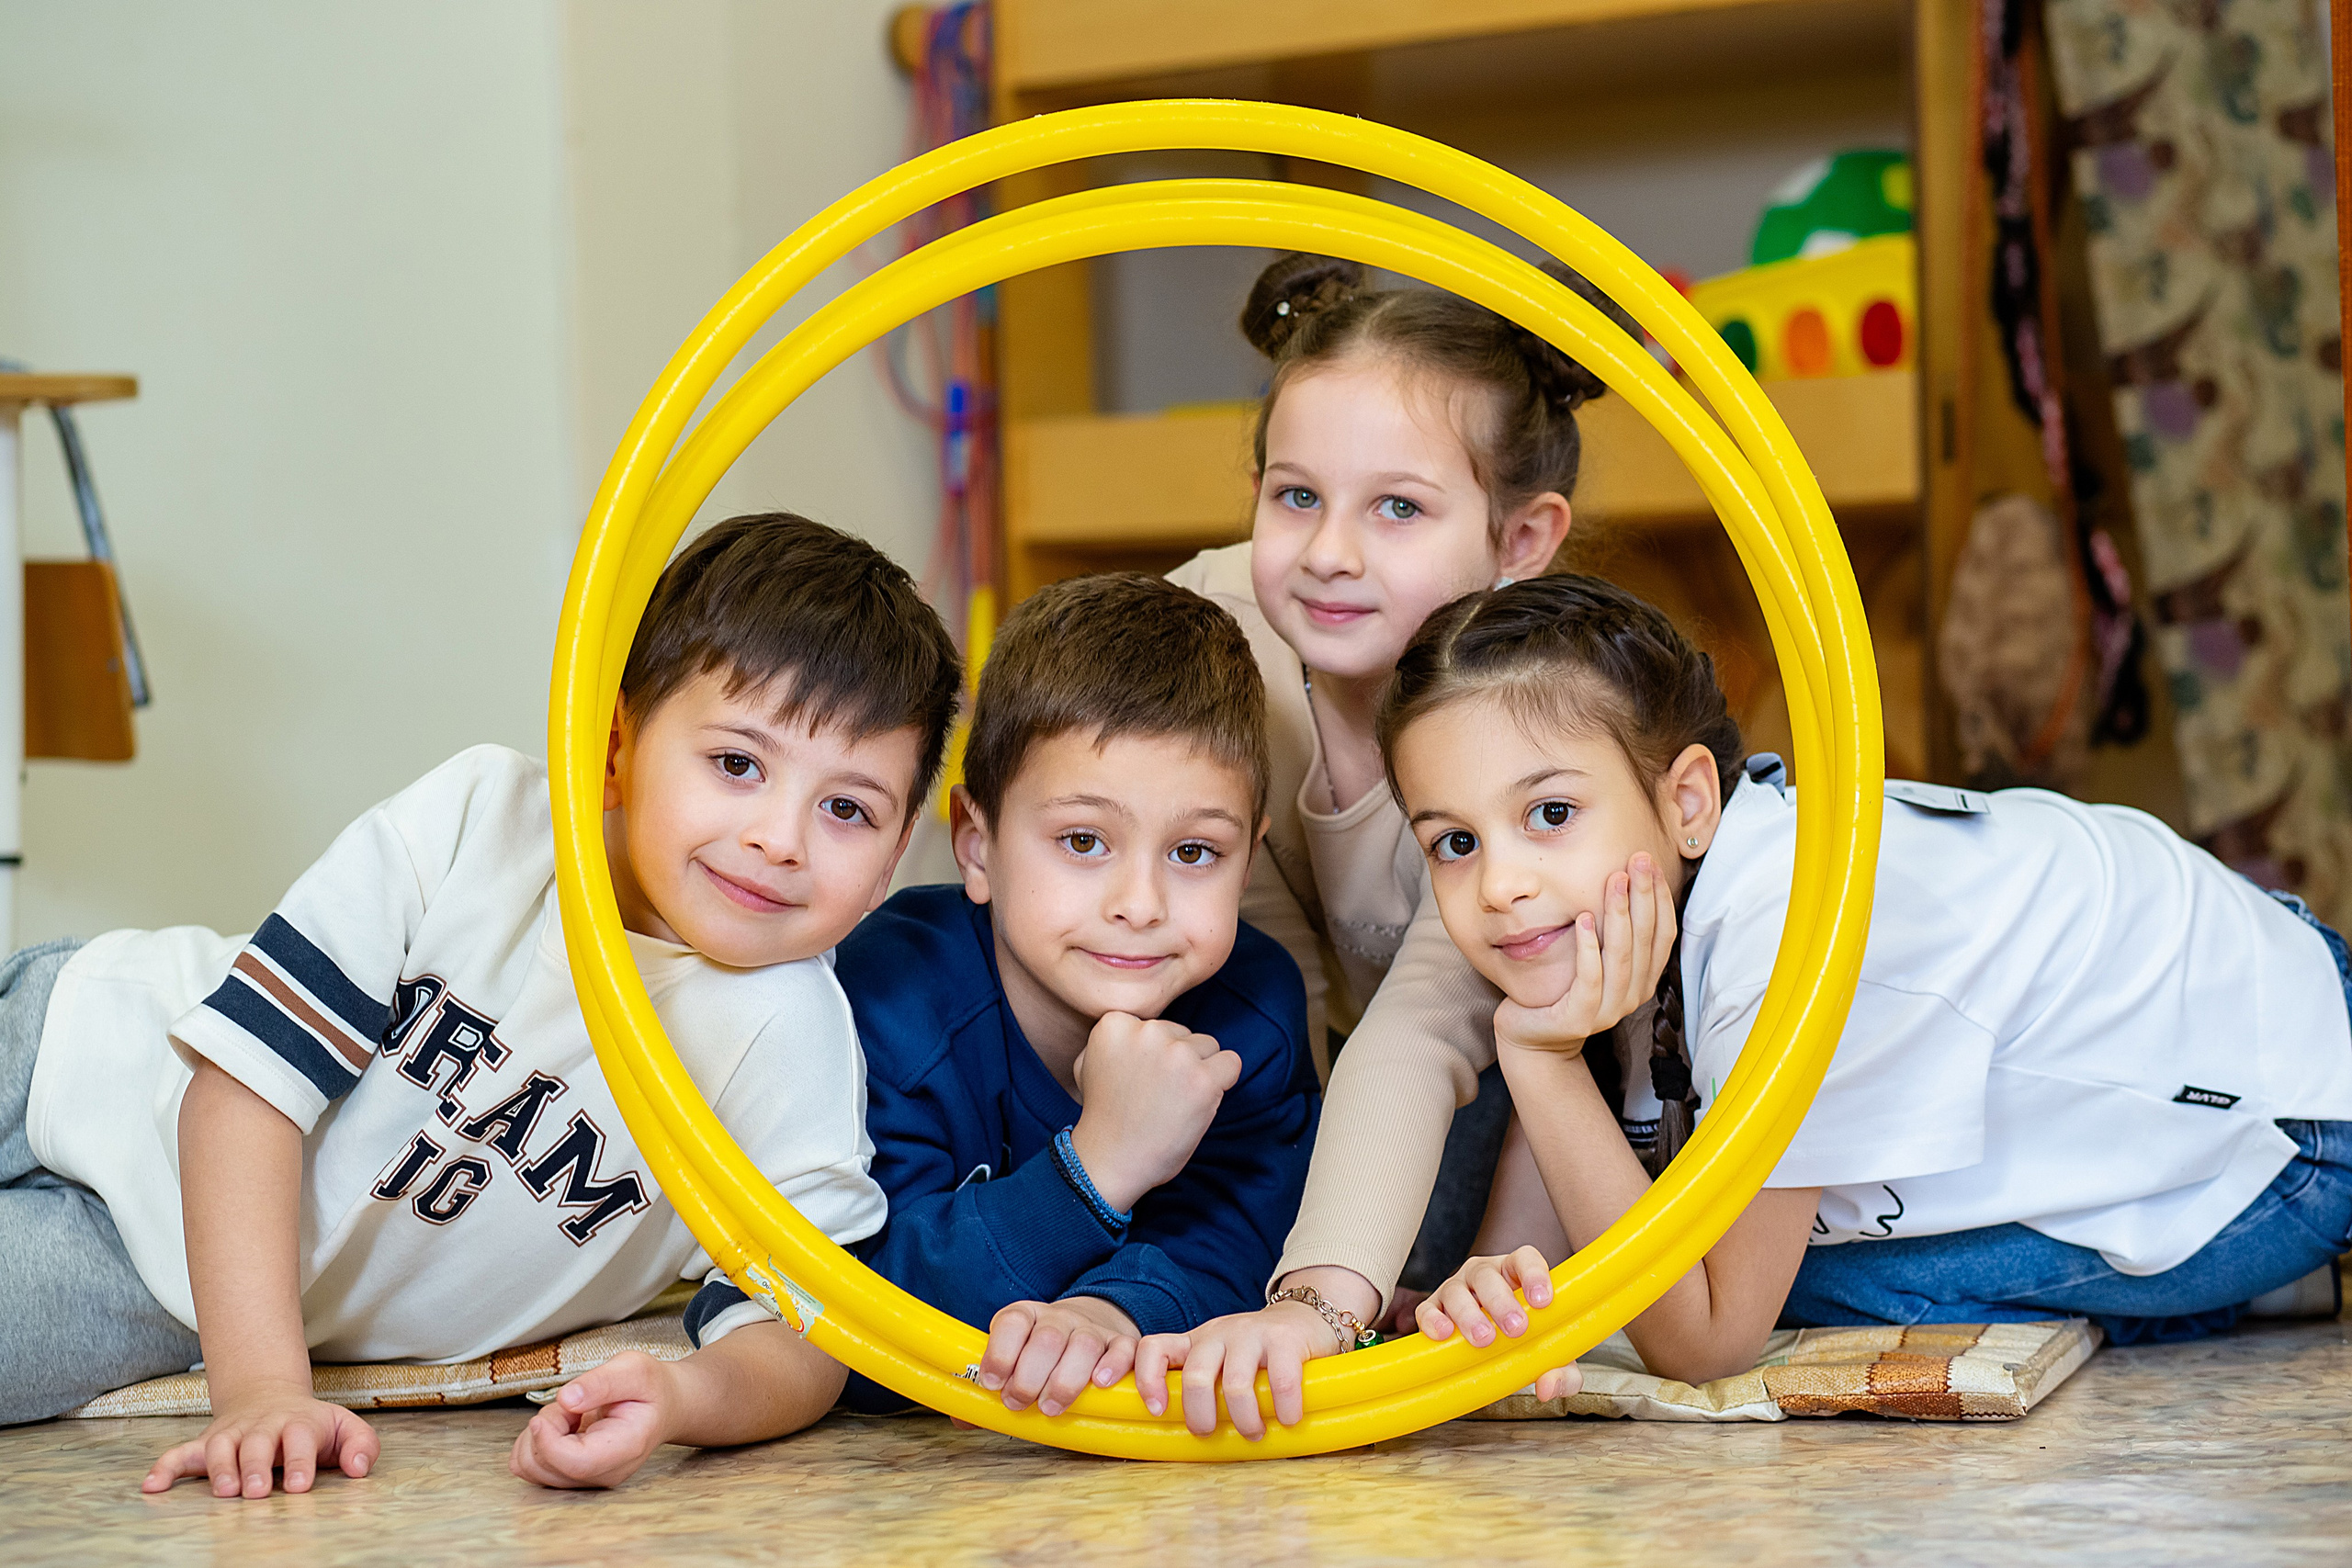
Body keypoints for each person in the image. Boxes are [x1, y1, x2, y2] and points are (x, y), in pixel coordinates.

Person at [0, 512, 962, 1501]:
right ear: (615, 745)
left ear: (895, 858)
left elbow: (806, 1337)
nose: (780, 838)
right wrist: (262, 1392)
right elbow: (242, 1087)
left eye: (847, 808)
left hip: (161, 1274)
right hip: (79, 1039)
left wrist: (685, 1400)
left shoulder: (791, 1043)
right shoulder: (483, 818)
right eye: (736, 764)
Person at [1373, 574, 2352, 1395]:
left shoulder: (1784, 931)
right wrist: (1492, 1281)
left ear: (1685, 804)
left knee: (1771, 1286)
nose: (1500, 884)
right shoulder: (1630, 902)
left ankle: (2235, 1272)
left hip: (2296, 1128)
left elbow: (1706, 1337)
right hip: (2256, 1026)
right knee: (1673, 1235)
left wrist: (1538, 1065)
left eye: (1548, 812)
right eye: (1454, 842)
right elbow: (1540, 1273)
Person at [1149, 252, 1639, 1434]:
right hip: (1335, 1042)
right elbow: (1259, 976)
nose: (1328, 553)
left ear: (1520, 539)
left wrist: (1318, 1308)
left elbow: (1422, 1028)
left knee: (1403, 1214)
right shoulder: (1218, 645)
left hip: (1546, 1056)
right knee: (1207, 1142)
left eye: (1398, 508)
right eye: (1294, 495)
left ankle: (1473, 1276)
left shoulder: (1521, 714)